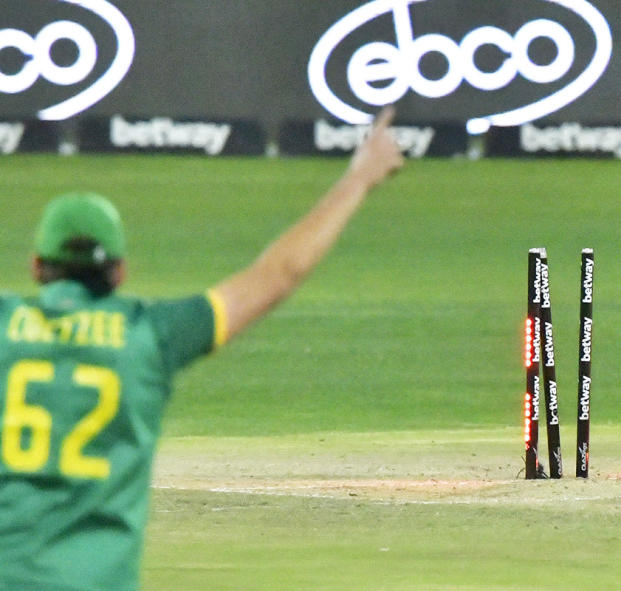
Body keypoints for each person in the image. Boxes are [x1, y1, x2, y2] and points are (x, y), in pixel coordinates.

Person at [0, 107, 404, 590]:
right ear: (120, 272)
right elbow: (277, 275)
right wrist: (359, 178)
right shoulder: (152, 335)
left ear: (36, 265)